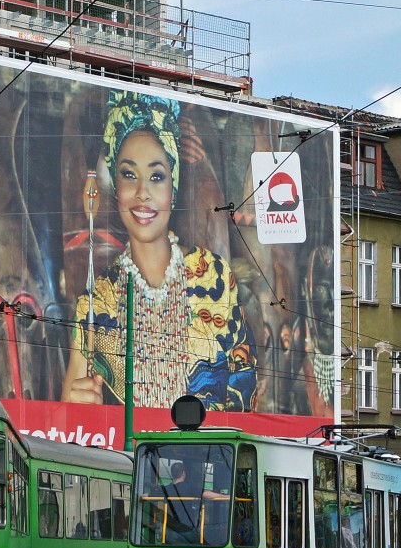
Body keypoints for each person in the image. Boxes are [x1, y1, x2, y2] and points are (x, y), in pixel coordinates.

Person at [62, 90, 256, 411]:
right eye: (128, 175)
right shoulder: (97, 302)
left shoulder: (214, 274)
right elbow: (69, 421)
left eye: (156, 176)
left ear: (173, 187)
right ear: (116, 188)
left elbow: (244, 391)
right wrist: (76, 406)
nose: (142, 194)